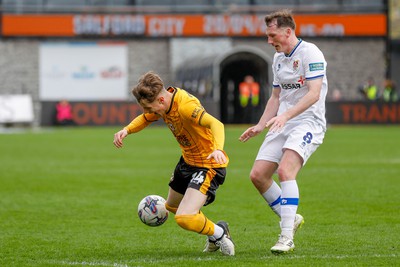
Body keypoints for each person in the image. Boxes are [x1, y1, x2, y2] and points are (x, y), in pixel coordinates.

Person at [113, 71, 235, 256]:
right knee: (171, 206)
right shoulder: (164, 102)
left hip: (207, 165)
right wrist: (126, 130)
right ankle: (214, 232)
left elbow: (216, 124)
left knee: (184, 218)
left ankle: (219, 234)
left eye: (151, 109)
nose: (149, 113)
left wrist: (218, 149)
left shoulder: (185, 106)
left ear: (161, 101)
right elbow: (145, 119)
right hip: (187, 162)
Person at [239, 9, 328, 254]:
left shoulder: (311, 53)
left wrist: (286, 115)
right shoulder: (278, 59)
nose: (269, 41)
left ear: (288, 31)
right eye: (268, 36)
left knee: (285, 170)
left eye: (272, 35)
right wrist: (260, 125)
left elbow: (313, 94)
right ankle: (291, 216)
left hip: (308, 121)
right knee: (258, 175)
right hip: (283, 120)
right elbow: (276, 97)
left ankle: (286, 236)